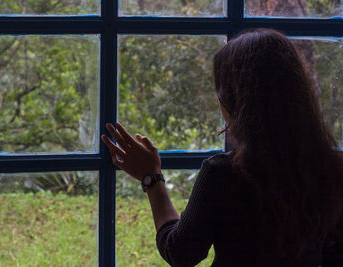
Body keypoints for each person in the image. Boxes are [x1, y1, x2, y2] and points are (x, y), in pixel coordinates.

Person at [101, 28, 343, 266]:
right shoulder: (333, 170)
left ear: (235, 100)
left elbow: (182, 252)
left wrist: (151, 179)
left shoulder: (224, 173)